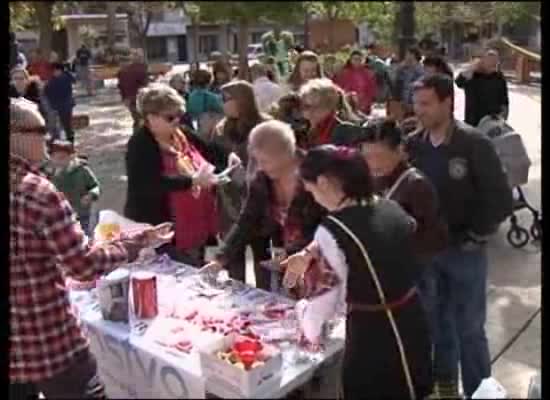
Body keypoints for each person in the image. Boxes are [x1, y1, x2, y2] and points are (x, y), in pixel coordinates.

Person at [9, 97, 173, 400]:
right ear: (16, 136)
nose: (47, 135)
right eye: (40, 128)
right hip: (50, 344)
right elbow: (82, 265)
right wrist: (134, 244)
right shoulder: (36, 192)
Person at [282, 145, 433, 399]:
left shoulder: (332, 228)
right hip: (412, 318)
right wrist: (311, 253)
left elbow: (324, 303)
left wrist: (306, 322)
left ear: (324, 182)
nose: (314, 198)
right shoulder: (390, 207)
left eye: (311, 191)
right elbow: (372, 240)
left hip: (373, 335)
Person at [406, 74, 514, 397]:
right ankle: (447, 388)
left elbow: (499, 199)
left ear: (447, 102)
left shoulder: (473, 144)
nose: (419, 110)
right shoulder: (413, 145)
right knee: (438, 327)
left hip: (464, 253)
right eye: (416, 103)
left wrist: (476, 234)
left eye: (425, 103)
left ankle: (480, 390)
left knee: (470, 329)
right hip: (427, 255)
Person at [201, 120, 326, 291]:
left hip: (323, 262)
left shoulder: (320, 175)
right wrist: (220, 259)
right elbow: (246, 220)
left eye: (265, 160)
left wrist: (302, 254)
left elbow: (332, 225)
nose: (260, 166)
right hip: (293, 260)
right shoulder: (262, 179)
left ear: (286, 153)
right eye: (257, 160)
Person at [357, 118, 449, 345]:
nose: (373, 163)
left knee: (418, 339)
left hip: (414, 278)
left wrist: (401, 234)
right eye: (367, 156)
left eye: (379, 155)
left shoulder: (415, 185)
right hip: (383, 277)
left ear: (400, 150)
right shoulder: (372, 179)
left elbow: (436, 239)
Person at [124, 83, 237, 265]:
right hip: (162, 231)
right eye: (170, 117)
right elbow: (148, 184)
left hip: (196, 226)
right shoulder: (140, 145)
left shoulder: (180, 134)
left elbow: (209, 149)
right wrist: (191, 181)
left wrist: (228, 156)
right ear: (151, 118)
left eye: (179, 115)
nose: (177, 120)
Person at [47, 140, 100, 236]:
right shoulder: (50, 173)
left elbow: (95, 186)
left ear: (71, 157)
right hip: (62, 216)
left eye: (62, 158)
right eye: (54, 158)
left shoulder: (82, 170)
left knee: (86, 237)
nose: (58, 161)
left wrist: (91, 195)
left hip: (83, 214)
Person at [299, 78, 362, 147]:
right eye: (306, 106)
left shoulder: (344, 131)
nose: (311, 111)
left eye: (317, 106)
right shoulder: (302, 130)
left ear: (330, 107)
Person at [455, 49, 509, 127]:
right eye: (490, 60)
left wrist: (503, 118)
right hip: (473, 122)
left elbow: (504, 101)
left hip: (492, 123)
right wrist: (471, 68)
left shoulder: (499, 77)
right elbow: (458, 83)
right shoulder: (472, 75)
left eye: (495, 61)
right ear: (483, 61)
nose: (493, 63)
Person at [334, 50, 377, 115]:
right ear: (350, 60)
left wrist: (365, 103)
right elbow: (339, 88)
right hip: (347, 105)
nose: (357, 61)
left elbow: (371, 91)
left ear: (363, 60)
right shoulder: (343, 73)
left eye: (359, 59)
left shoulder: (369, 74)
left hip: (364, 107)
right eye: (355, 59)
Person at [44, 63, 76, 143]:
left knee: (66, 123)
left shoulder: (64, 77)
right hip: (61, 105)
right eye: (53, 71)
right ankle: (68, 139)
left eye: (56, 71)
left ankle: (69, 139)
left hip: (65, 104)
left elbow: (74, 80)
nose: (54, 72)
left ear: (60, 70)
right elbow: (47, 92)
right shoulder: (53, 80)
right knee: (65, 123)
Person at [187, 69, 224, 138]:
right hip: (208, 129)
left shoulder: (190, 96)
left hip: (195, 127)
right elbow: (222, 111)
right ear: (209, 81)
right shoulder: (211, 97)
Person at [117, 49, 149, 129]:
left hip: (132, 99)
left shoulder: (123, 71)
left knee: (137, 120)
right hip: (139, 99)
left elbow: (121, 86)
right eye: (139, 56)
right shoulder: (142, 68)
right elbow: (145, 84)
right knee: (141, 121)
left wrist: (124, 98)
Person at [393, 47, 424, 119]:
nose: (405, 56)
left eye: (407, 54)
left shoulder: (420, 70)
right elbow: (396, 82)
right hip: (404, 105)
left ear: (412, 55)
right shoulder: (405, 70)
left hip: (414, 105)